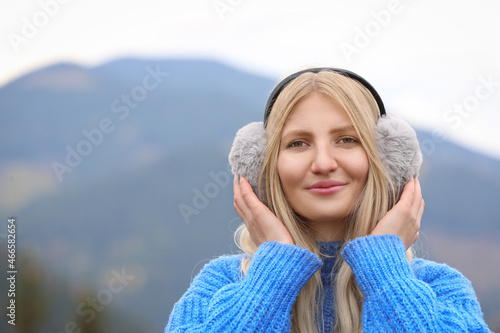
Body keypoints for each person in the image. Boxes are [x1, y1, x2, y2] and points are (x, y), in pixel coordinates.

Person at [165, 68, 491, 332]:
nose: (323, 163)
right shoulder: (220, 284)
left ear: (387, 160)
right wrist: (272, 270)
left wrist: (385, 270)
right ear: (264, 167)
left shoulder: (441, 288)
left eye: (347, 140)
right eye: (298, 143)